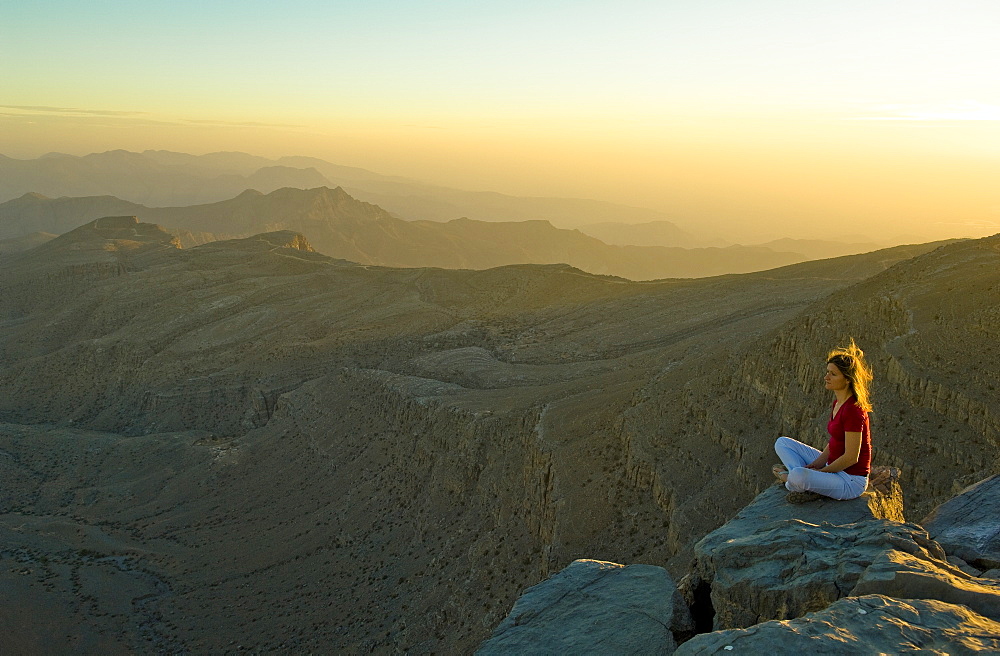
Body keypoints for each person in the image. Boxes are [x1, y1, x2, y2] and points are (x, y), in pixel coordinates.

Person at [773, 339, 872, 502]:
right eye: (827, 372)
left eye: (833, 374)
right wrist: (817, 464)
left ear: (847, 379)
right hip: (833, 466)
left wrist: (821, 473)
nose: (826, 377)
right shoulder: (838, 404)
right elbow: (835, 441)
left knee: (798, 475)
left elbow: (851, 458)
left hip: (850, 480)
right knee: (782, 443)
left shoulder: (854, 410)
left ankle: (790, 479)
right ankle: (808, 482)